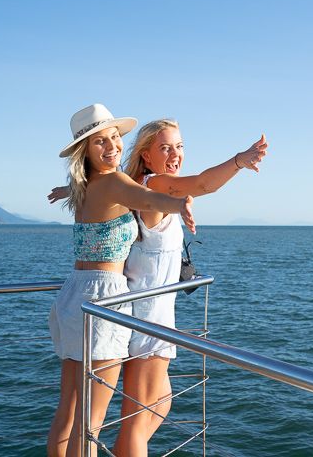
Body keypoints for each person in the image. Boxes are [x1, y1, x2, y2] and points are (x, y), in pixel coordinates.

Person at [49, 119, 267, 457]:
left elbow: (111, 192)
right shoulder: (156, 184)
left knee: (135, 406)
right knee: (126, 420)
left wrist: (73, 188)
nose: (175, 153)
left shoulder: (115, 182)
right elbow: (198, 185)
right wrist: (238, 161)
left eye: (179, 146)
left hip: (99, 301)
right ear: (146, 156)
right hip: (142, 315)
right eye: (165, 147)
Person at [47, 104, 196, 457]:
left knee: (68, 412)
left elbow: (120, 193)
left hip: (72, 295)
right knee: (91, 420)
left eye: (115, 138)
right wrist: (180, 205)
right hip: (104, 299)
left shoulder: (86, 185)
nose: (112, 146)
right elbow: (145, 198)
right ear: (86, 150)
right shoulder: (112, 181)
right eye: (100, 141)